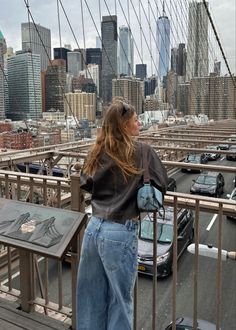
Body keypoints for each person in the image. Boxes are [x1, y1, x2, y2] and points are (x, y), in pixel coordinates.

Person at [76, 100, 168, 330]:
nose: (139, 123)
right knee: (120, 300)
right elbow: (162, 184)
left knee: (90, 297)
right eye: (135, 120)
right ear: (124, 125)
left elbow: (85, 182)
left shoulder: (97, 150)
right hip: (120, 230)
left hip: (94, 226)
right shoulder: (143, 151)